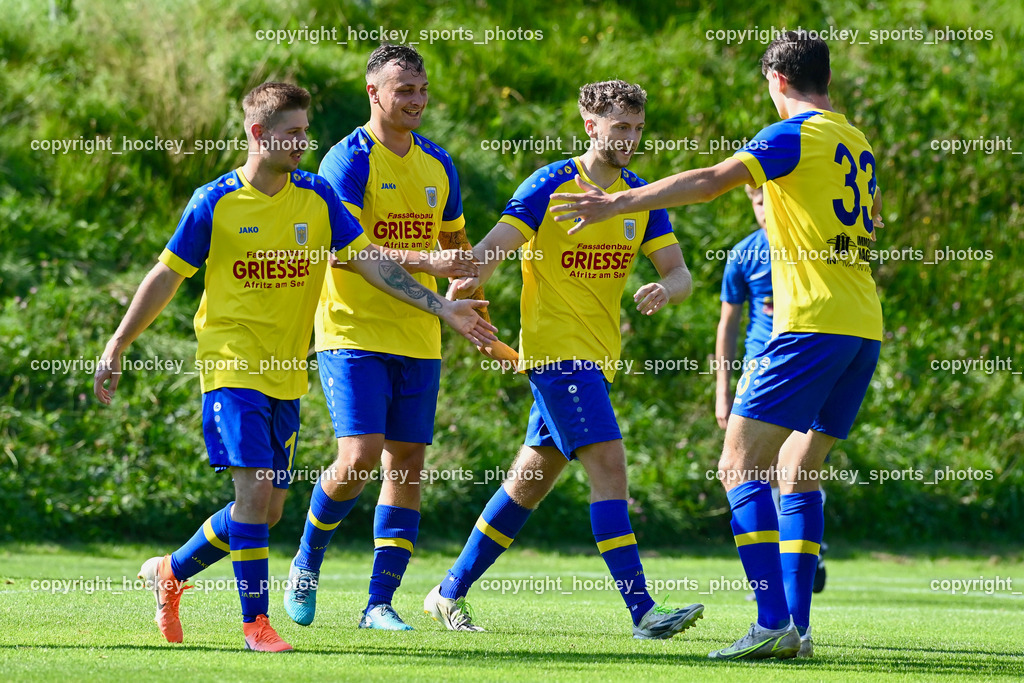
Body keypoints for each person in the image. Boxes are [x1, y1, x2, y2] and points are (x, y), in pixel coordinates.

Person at [93, 81, 495, 652]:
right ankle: (255, 624)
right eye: (293, 133)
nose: (304, 143)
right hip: (230, 366)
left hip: (287, 373)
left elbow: (370, 261)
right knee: (256, 491)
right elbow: (166, 276)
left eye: (306, 131)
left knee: (267, 511)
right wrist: (117, 343)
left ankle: (171, 570)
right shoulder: (214, 202)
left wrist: (443, 307)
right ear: (259, 134)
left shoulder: (316, 196)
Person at [549, 32, 883, 660]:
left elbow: (709, 181)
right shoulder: (854, 139)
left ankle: (772, 622)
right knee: (797, 470)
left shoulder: (792, 135)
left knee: (738, 466)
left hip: (811, 323)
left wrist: (618, 201)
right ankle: (797, 628)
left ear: (777, 80)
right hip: (862, 325)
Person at [422, 80, 705, 640]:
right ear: (590, 125)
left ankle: (447, 592)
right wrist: (466, 287)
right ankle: (644, 612)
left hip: (597, 361)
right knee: (610, 467)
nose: (629, 139)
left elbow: (681, 274)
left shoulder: (640, 196)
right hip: (558, 358)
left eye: (638, 128)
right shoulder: (550, 184)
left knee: (527, 483)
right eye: (620, 127)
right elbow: (492, 249)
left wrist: (666, 289)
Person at [282, 44, 490, 631]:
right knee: (359, 457)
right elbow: (346, 253)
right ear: (373, 93)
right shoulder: (346, 160)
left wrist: (466, 297)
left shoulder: (439, 164)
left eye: (422, 90)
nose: (417, 101)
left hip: (419, 334)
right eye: (405, 91)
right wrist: (429, 263)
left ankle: (379, 604)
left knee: (408, 465)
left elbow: (454, 249)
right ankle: (307, 560)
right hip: (352, 329)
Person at [716, 186, 828, 598]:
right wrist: (722, 390)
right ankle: (777, 570)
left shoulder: (809, 245)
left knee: (796, 466)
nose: (764, 209)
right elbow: (728, 325)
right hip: (760, 370)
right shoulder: (743, 254)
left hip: (804, 366)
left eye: (771, 200)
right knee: (748, 469)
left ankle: (790, 564)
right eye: (758, 201)